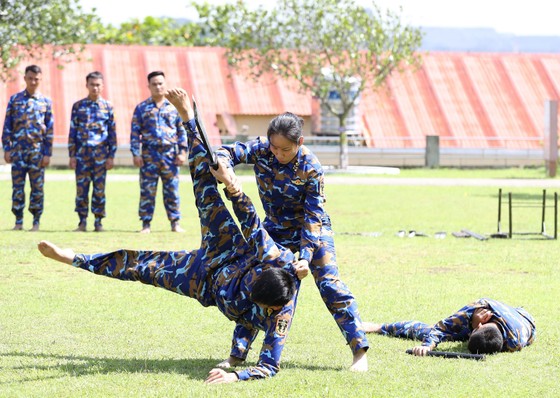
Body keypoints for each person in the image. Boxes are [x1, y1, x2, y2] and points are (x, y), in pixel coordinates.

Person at [38, 87, 309, 384]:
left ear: (272, 309)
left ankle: (75, 259)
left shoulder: (279, 316)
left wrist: (235, 372)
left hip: (206, 282)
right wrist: (233, 187)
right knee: (206, 179)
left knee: (144, 267)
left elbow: (269, 365)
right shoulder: (272, 256)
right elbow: (251, 223)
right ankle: (188, 119)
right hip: (227, 249)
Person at [215, 113, 369, 371]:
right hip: (275, 227)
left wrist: (305, 259)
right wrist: (226, 170)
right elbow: (225, 152)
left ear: (300, 141)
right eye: (274, 147)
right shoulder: (262, 149)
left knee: (330, 285)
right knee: (260, 283)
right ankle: (237, 354)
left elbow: (313, 215)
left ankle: (359, 352)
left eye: (285, 149)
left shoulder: (311, 167)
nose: (278, 154)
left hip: (311, 230)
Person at [363, 298, 536, 355]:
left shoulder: (513, 342)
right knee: (434, 332)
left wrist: (426, 346)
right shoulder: (477, 309)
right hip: (514, 314)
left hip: (521, 316)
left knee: (427, 332)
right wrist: (428, 345)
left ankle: (379, 327)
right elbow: (441, 328)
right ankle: (379, 327)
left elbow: (436, 331)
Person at [130, 71, 187, 233]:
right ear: (148, 86)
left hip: (170, 156)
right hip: (149, 156)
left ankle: (175, 223)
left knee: (172, 190)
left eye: (160, 83)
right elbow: (135, 132)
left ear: (165, 85)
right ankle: (146, 224)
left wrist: (182, 152)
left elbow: (181, 131)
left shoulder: (174, 107)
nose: (158, 87)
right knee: (147, 191)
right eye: (154, 84)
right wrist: (136, 153)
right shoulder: (141, 108)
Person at [2, 64, 54, 232]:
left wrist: (47, 153)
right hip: (18, 151)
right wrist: (6, 148)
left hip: (37, 152)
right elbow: (7, 125)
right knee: (18, 187)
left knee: (37, 188)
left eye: (36, 79)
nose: (33, 82)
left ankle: (36, 221)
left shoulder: (46, 102)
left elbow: (50, 128)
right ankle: (18, 221)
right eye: (30, 78)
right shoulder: (15, 100)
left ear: (41, 80)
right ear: (25, 78)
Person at [68, 71, 117, 232]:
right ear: (86, 85)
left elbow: (112, 134)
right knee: (81, 189)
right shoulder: (78, 106)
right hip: (82, 156)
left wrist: (111, 156)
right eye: (92, 84)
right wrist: (72, 155)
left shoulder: (108, 107)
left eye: (98, 85)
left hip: (100, 156)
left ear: (102, 86)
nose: (95, 88)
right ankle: (82, 222)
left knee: (99, 190)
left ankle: (98, 222)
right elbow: (72, 132)